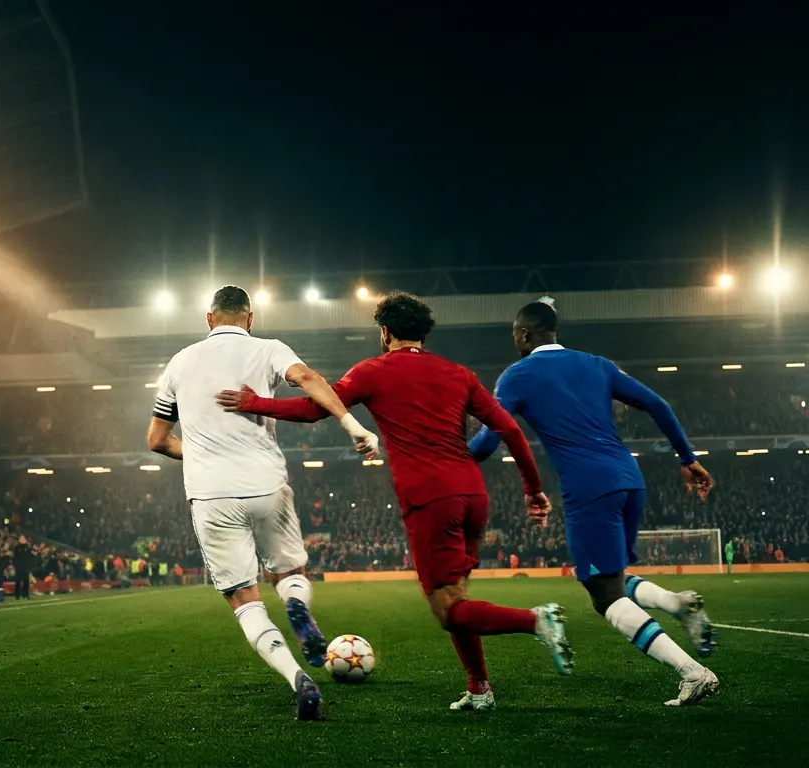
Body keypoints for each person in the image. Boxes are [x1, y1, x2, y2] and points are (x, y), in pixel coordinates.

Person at [217, 291, 573, 713]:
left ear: (385, 332)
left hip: (430, 498)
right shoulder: (458, 373)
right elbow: (510, 431)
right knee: (458, 597)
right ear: (423, 333)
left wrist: (255, 403)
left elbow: (315, 409)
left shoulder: (374, 371)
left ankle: (537, 621)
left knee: (447, 609)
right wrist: (533, 489)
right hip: (473, 495)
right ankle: (479, 688)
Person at [467, 298, 718, 706]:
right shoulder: (597, 364)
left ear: (525, 334)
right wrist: (688, 459)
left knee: (604, 597)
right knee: (609, 578)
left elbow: (487, 442)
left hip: (588, 487)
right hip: (628, 481)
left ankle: (692, 672)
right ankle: (678, 603)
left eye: (515, 333)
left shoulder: (516, 376)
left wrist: (450, 451)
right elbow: (658, 404)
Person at [147, 285, 380, 721]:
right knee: (289, 572)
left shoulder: (179, 362)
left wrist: (198, 451)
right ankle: (296, 602)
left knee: (244, 599)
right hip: (265, 484)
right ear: (250, 319)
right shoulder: (268, 348)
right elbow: (309, 380)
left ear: (208, 318)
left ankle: (299, 680)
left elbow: (156, 440)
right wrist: (352, 426)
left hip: (211, 494)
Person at [13, 536, 34, 600]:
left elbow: (30, 557)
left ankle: (26, 595)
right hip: (19, 567)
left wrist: (29, 566)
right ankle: (17, 595)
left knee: (26, 581)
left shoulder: (27, 547)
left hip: (25, 566)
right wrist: (15, 565)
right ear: (19, 540)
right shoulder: (17, 547)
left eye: (23, 538)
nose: (22, 540)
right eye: (21, 538)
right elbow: (15, 557)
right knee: (18, 581)